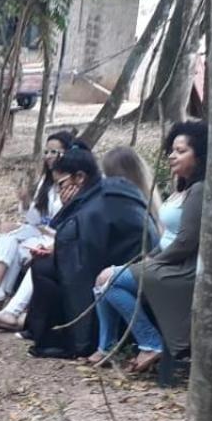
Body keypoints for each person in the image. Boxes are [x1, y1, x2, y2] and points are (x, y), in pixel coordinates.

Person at [91, 122, 207, 374]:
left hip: (181, 269)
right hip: (163, 260)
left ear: (199, 155)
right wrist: (150, 257)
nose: (172, 155)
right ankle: (107, 346)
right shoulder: (182, 189)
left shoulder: (199, 190)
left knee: (108, 281)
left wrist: (154, 262)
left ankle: (151, 343)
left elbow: (186, 242)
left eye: (181, 150)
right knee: (103, 281)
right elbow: (169, 236)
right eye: (172, 150)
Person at [23, 148, 156, 359]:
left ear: (80, 177)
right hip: (111, 261)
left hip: (127, 264)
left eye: (61, 184)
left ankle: (80, 341)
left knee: (48, 269)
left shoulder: (104, 198)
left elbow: (85, 256)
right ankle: (49, 337)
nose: (59, 192)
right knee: (43, 266)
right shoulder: (95, 195)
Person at [0, 132, 83, 317]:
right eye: (46, 152)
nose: (48, 156)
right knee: (7, 233)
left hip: (57, 236)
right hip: (40, 230)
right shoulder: (46, 182)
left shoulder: (75, 181)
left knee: (19, 248)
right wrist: (25, 201)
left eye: (54, 152)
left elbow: (67, 221)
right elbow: (35, 219)